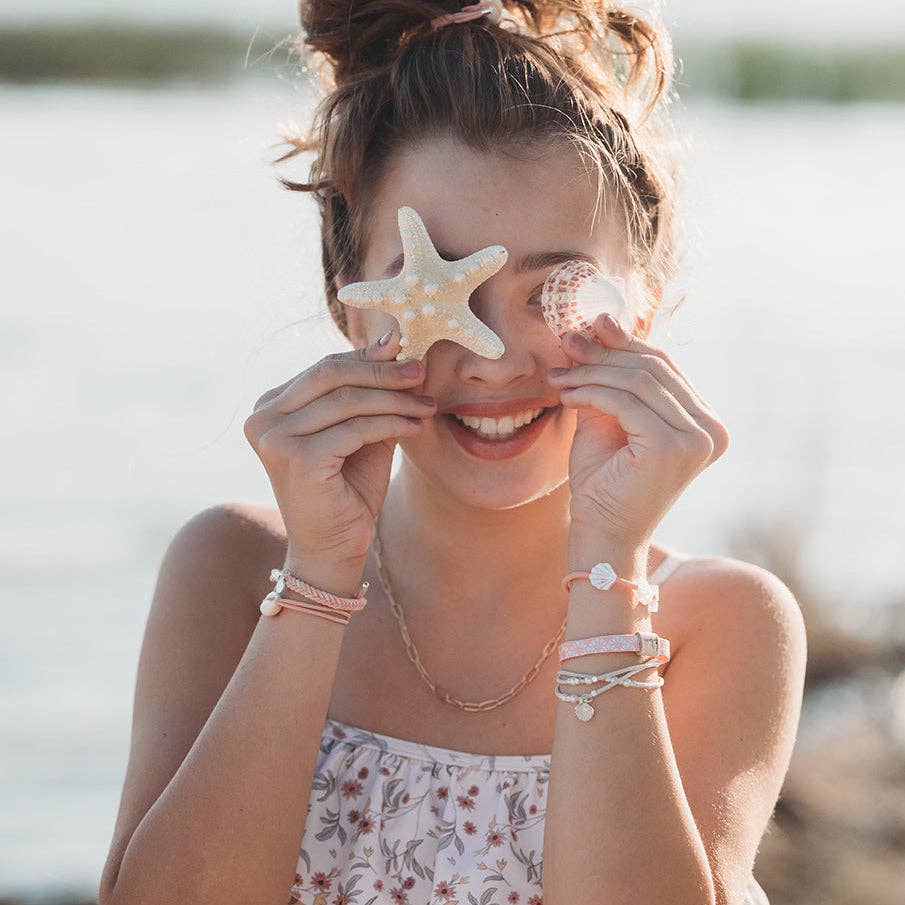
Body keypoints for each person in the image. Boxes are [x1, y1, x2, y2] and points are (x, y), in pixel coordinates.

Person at [98, 2, 807, 904]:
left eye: (554, 293)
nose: (493, 359)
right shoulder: (232, 570)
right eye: (429, 286)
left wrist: (606, 567)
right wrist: (317, 580)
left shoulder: (721, 622)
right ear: (348, 302)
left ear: (644, 305)